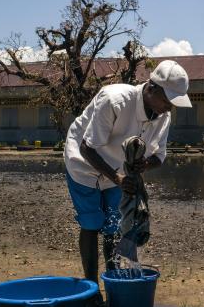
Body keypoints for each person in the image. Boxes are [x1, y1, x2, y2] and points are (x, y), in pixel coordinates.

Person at [64, 60, 191, 292]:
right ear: (151, 88)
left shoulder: (163, 115)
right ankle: (92, 290)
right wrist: (118, 179)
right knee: (92, 223)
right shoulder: (115, 100)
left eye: (173, 103)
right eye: (166, 100)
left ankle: (114, 281)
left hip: (117, 170)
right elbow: (87, 148)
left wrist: (144, 164)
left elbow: (159, 156)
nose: (169, 107)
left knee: (114, 226)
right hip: (83, 164)